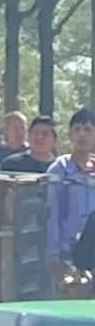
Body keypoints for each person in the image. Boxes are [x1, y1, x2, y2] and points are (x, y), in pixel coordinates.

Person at [46, 107, 95, 284]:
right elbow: (51, 216)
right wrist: (53, 256)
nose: (82, 135)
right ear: (70, 135)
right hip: (67, 258)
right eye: (77, 129)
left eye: (88, 129)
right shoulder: (60, 170)